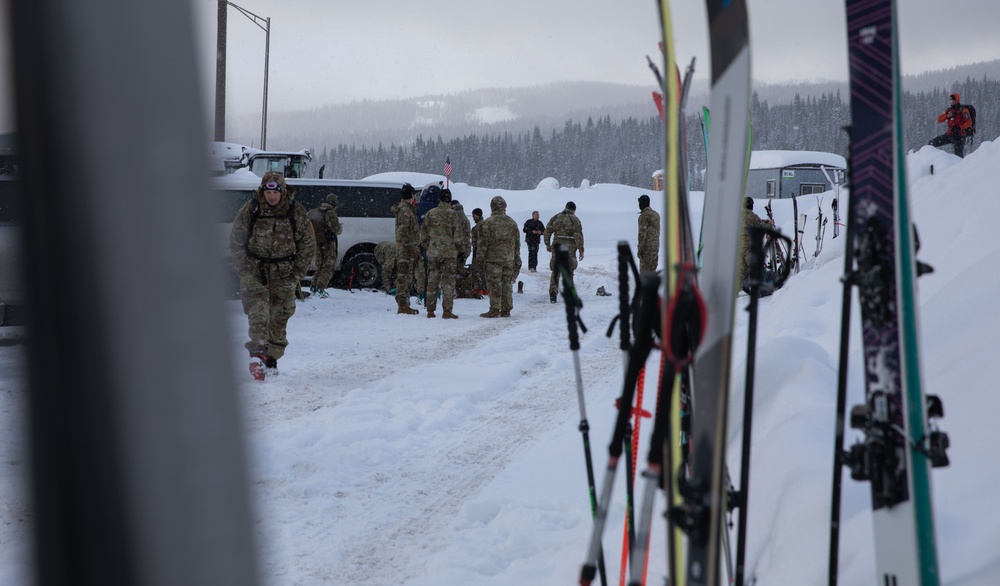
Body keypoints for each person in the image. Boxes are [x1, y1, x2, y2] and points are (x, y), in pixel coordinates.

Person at [229, 171, 316, 380]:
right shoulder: (251, 209)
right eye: (268, 192)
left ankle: (271, 358)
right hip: (254, 271)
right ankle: (257, 352)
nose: (272, 197)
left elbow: (307, 243)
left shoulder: (296, 212)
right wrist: (243, 267)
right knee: (258, 310)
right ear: (263, 190)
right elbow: (237, 239)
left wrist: (298, 272)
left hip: (284, 274)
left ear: (282, 191)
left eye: (275, 192)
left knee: (279, 317)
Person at [419, 188, 462, 319]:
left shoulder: (430, 213)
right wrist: (457, 250)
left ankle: (430, 310)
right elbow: (458, 237)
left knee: (432, 281)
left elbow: (423, 235)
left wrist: (429, 247)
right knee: (448, 283)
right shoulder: (453, 214)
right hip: (449, 254)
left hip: (433, 253)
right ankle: (447, 311)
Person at [478, 195, 521, 318]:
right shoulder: (512, 223)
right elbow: (517, 243)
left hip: (493, 259)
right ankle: (506, 308)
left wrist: (479, 259)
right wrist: (516, 258)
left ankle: (495, 309)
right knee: (506, 283)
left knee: (494, 283)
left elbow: (482, 244)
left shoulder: (487, 223)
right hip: (508, 258)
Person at [544, 201, 584, 304]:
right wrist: (581, 250)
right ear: (573, 210)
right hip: (569, 247)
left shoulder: (556, 217)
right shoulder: (575, 220)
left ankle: (553, 294)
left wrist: (547, 244)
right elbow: (578, 236)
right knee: (569, 270)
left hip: (557, 245)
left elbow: (547, 231)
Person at [307, 193, 344, 298]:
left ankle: (313, 286)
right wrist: (340, 228)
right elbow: (336, 229)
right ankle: (320, 288)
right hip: (328, 242)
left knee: (320, 266)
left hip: (317, 242)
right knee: (328, 266)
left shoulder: (315, 211)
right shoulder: (330, 212)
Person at [392, 183, 420, 315]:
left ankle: (404, 304)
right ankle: (402, 305)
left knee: (406, 277)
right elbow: (403, 233)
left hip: (407, 248)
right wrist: (409, 248)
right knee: (404, 277)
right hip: (406, 250)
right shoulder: (405, 211)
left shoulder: (407, 209)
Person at [739, 196, 772, 291]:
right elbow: (762, 226)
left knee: (741, 272)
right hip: (749, 249)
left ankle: (739, 291)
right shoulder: (751, 216)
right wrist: (770, 224)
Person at [929, 92, 973, 158]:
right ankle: (933, 160)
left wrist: (960, 127)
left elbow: (969, 122)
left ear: (957, 100)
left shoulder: (963, 110)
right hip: (950, 134)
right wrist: (947, 116)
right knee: (931, 143)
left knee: (958, 157)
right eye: (951, 100)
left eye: (953, 100)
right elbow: (939, 120)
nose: (952, 102)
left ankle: (960, 167)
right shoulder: (949, 110)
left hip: (959, 136)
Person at [636, 194, 660, 273]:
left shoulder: (644, 216)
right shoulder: (656, 215)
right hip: (655, 248)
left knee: (645, 273)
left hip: (647, 249)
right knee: (652, 271)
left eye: (640, 203)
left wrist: (640, 249)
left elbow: (642, 234)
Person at [451, 196, 472, 272]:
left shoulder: (456, 217)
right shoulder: (464, 217)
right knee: (460, 270)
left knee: (455, 271)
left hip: (459, 249)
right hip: (466, 248)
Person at [469, 207, 486, 295]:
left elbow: (475, 242)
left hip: (477, 251)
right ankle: (485, 289)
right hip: (486, 252)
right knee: (484, 271)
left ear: (478, 215)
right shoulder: (487, 224)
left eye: (474, 216)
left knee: (477, 271)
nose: (473, 218)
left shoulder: (476, 228)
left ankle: (478, 289)